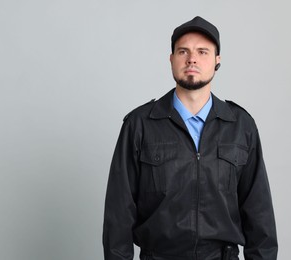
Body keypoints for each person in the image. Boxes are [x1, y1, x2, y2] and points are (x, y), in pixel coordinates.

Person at [103, 16, 277, 260]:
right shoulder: (140, 124)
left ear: (217, 60)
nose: (192, 58)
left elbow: (259, 215)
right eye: (183, 51)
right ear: (172, 59)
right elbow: (118, 214)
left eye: (203, 52)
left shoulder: (240, 126)